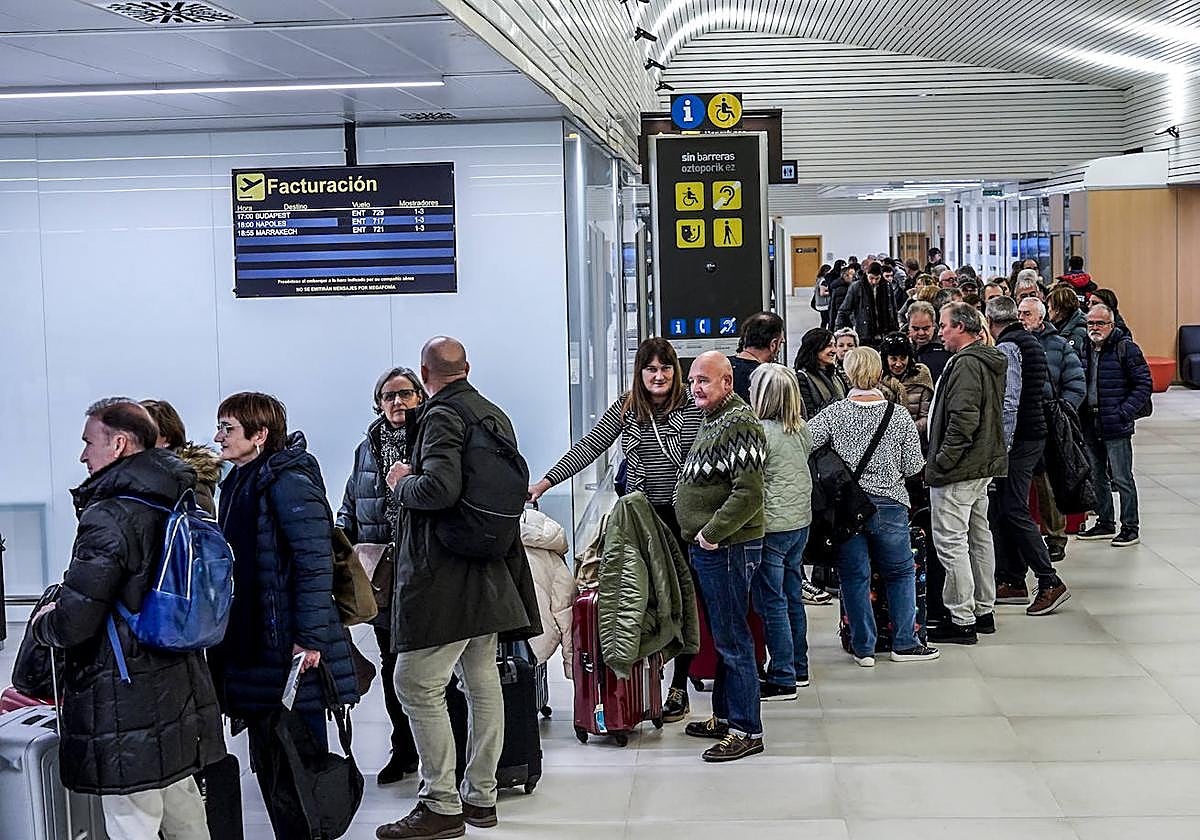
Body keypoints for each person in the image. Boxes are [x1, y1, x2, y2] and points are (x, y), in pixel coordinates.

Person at [30, 398, 223, 840]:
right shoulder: (180, 494)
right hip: (179, 675)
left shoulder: (110, 514)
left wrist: (44, 623)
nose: (83, 455)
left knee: (131, 814)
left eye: (89, 442)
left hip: (124, 689)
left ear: (118, 444)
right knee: (181, 800)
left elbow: (76, 619)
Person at [377, 337, 540, 838]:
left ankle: (441, 804)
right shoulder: (493, 415)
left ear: (425, 376)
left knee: (414, 682)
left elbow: (438, 490)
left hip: (445, 574)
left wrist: (401, 481)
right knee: (481, 678)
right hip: (489, 566)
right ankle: (481, 798)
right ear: (466, 367)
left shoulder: (441, 416)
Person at [208, 392, 358, 840]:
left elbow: (315, 564)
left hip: (290, 646)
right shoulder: (240, 481)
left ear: (260, 434)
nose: (218, 437)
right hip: (256, 645)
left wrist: (309, 639)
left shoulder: (287, 481)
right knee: (273, 760)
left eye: (228, 429)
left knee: (300, 758)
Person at [530, 337, 701, 722]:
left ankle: (679, 685)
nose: (659, 376)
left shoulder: (692, 407)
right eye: (651, 369)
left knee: (682, 600)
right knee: (643, 599)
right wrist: (545, 482)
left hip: (683, 518)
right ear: (639, 372)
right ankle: (647, 679)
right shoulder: (628, 407)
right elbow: (590, 446)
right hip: (640, 520)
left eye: (665, 368)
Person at [808, 348, 936, 665]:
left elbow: (805, 443)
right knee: (900, 572)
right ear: (879, 374)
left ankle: (863, 647)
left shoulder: (834, 413)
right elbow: (913, 466)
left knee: (854, 577)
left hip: (847, 508)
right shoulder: (899, 416)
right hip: (890, 504)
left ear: (848, 374)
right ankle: (904, 643)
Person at [674, 351, 768, 763]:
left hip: (728, 548)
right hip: (714, 548)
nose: (695, 387)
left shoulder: (739, 422)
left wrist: (711, 534)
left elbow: (748, 492)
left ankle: (746, 730)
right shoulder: (713, 418)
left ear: (727, 382)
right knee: (725, 635)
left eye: (704, 380)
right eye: (693, 380)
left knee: (733, 639)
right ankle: (726, 716)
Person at [336, 367, 428, 785]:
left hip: (423, 569)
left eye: (405, 394)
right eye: (389, 396)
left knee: (429, 669)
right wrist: (341, 546)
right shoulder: (367, 448)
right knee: (391, 665)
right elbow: (352, 502)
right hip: (382, 574)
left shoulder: (430, 439)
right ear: (379, 404)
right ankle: (403, 748)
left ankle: (441, 755)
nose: (397, 402)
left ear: (420, 397)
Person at [924, 305, 1008, 645]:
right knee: (978, 537)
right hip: (980, 466)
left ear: (960, 326)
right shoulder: (985, 360)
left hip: (960, 470)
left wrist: (942, 462)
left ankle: (961, 618)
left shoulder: (966, 364)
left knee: (952, 542)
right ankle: (983, 609)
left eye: (944, 326)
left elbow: (963, 421)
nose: (940, 332)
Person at [985, 297, 1071, 615]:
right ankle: (1013, 579)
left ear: (991, 322)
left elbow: (1009, 401)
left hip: (1020, 438)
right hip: (1033, 432)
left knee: (1013, 507)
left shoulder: (1008, 346)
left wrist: (1003, 445)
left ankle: (1049, 580)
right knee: (1003, 508)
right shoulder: (1030, 341)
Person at [748, 364, 813, 700]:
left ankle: (783, 676)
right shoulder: (801, 429)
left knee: (772, 602)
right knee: (792, 596)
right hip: (800, 523)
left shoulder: (759, 433)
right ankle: (799, 667)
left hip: (772, 526)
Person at [1077, 305, 1153, 547]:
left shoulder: (1126, 348)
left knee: (1122, 478)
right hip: (1090, 422)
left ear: (1111, 325)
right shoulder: (1084, 347)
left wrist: (1124, 412)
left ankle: (1130, 527)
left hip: (1115, 423)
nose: (1094, 328)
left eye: (1100, 323)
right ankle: (1105, 522)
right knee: (1097, 476)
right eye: (1090, 323)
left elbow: (1144, 384)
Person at [1019, 297, 1086, 563]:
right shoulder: (1013, 344)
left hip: (1050, 422)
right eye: (1019, 313)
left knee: (1048, 485)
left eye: (1027, 313)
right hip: (1023, 423)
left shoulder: (1059, 345)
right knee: (1020, 485)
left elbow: (1076, 383)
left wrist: (1062, 412)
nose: (1022, 318)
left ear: (1040, 317)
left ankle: (1056, 537)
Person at [141, 398, 223, 515]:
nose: (135, 437)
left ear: (166, 439)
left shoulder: (190, 484)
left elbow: (196, 523)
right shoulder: (131, 477)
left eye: (144, 431)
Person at [880, 332, 934, 441]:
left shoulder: (921, 377)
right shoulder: (878, 379)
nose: (898, 364)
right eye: (893, 359)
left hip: (915, 440)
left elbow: (926, 417)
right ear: (886, 359)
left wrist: (905, 431)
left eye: (903, 358)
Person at [836, 261, 899, 347]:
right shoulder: (856, 287)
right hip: (864, 333)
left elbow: (893, 308)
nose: (874, 281)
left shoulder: (887, 286)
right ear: (866, 274)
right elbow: (843, 311)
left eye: (877, 278)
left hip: (885, 332)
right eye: (871, 278)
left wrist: (896, 328)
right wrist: (839, 332)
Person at [793, 327, 848, 421]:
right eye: (829, 345)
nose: (834, 350)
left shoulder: (836, 375)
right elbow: (808, 415)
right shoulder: (802, 378)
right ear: (815, 348)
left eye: (835, 345)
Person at [729, 311, 785, 401]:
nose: (779, 349)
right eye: (780, 343)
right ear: (773, 344)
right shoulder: (770, 377)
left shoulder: (722, 367)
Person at [906, 301, 952, 383]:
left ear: (933, 325)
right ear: (908, 326)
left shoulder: (947, 348)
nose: (921, 333)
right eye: (916, 329)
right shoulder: (902, 347)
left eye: (925, 328)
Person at [1048, 285, 1088, 355]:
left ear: (1057, 309)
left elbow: (1073, 357)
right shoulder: (1059, 326)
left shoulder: (1078, 332)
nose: (1048, 310)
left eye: (1049, 307)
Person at [812, 263, 833, 329]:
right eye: (830, 271)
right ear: (825, 272)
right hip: (824, 304)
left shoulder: (818, 279)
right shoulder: (823, 281)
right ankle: (824, 332)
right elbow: (822, 293)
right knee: (827, 321)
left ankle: (822, 331)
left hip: (820, 304)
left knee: (824, 320)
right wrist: (831, 292)